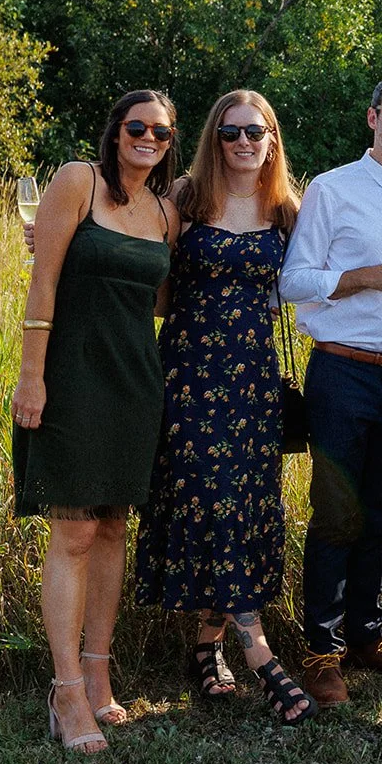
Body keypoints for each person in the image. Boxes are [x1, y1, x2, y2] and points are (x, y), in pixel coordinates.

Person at [131, 89, 314, 725]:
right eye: (231, 132)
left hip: (255, 386)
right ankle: (261, 654)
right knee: (210, 499)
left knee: (241, 502)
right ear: (215, 137)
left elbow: (313, 282)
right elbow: (144, 275)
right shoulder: (186, 198)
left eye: (254, 132)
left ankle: (206, 650)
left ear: (271, 139)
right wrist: (53, 245)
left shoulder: (289, 208)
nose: (242, 143)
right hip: (188, 377)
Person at [12, 89, 180, 754]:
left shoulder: (166, 211)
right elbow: (42, 280)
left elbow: (158, 300)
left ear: (170, 143)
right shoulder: (77, 180)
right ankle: (66, 690)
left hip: (137, 379)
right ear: (115, 131)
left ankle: (100, 671)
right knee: (75, 527)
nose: (148, 137)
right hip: (72, 373)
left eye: (162, 132)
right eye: (137, 126)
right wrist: (32, 374)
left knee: (114, 524)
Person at [278, 70, 382, 707]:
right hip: (342, 372)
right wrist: (365, 276)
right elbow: (293, 281)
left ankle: (366, 639)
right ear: (372, 118)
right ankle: (319, 654)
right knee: (337, 517)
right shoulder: (332, 189)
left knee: (380, 514)